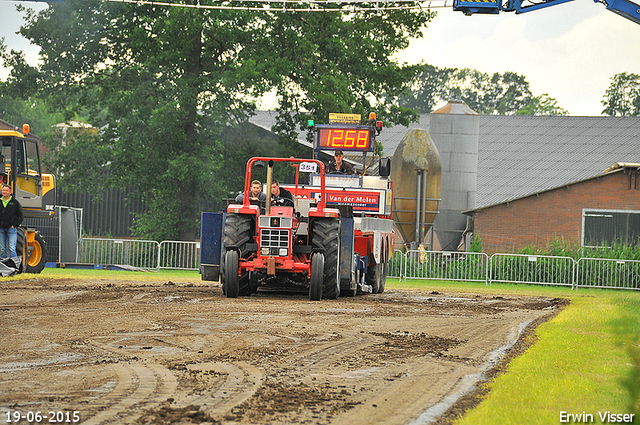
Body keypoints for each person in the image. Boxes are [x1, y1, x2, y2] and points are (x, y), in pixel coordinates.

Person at [0, 184, 23, 259]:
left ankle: (14, 266)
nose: (5, 192)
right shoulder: (0, 201)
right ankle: (4, 266)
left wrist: (14, 225)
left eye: (6, 190)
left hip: (11, 229)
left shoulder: (15, 203)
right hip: (1, 229)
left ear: (10, 192)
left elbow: (20, 215)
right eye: (3, 190)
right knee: (2, 249)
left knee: (12, 248)